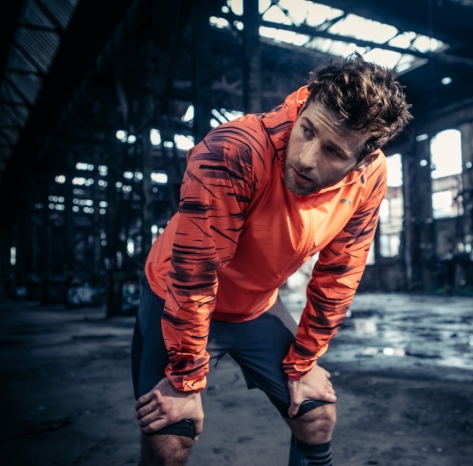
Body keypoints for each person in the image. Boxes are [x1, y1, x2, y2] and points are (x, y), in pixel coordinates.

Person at [130, 53, 411, 466]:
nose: (307, 158)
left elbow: (340, 273)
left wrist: (304, 362)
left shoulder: (371, 177)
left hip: (255, 307)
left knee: (317, 416)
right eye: (307, 130)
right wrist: (185, 380)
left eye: (333, 151)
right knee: (170, 436)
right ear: (304, 104)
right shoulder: (235, 150)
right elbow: (195, 273)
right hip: (177, 295)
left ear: (362, 161)